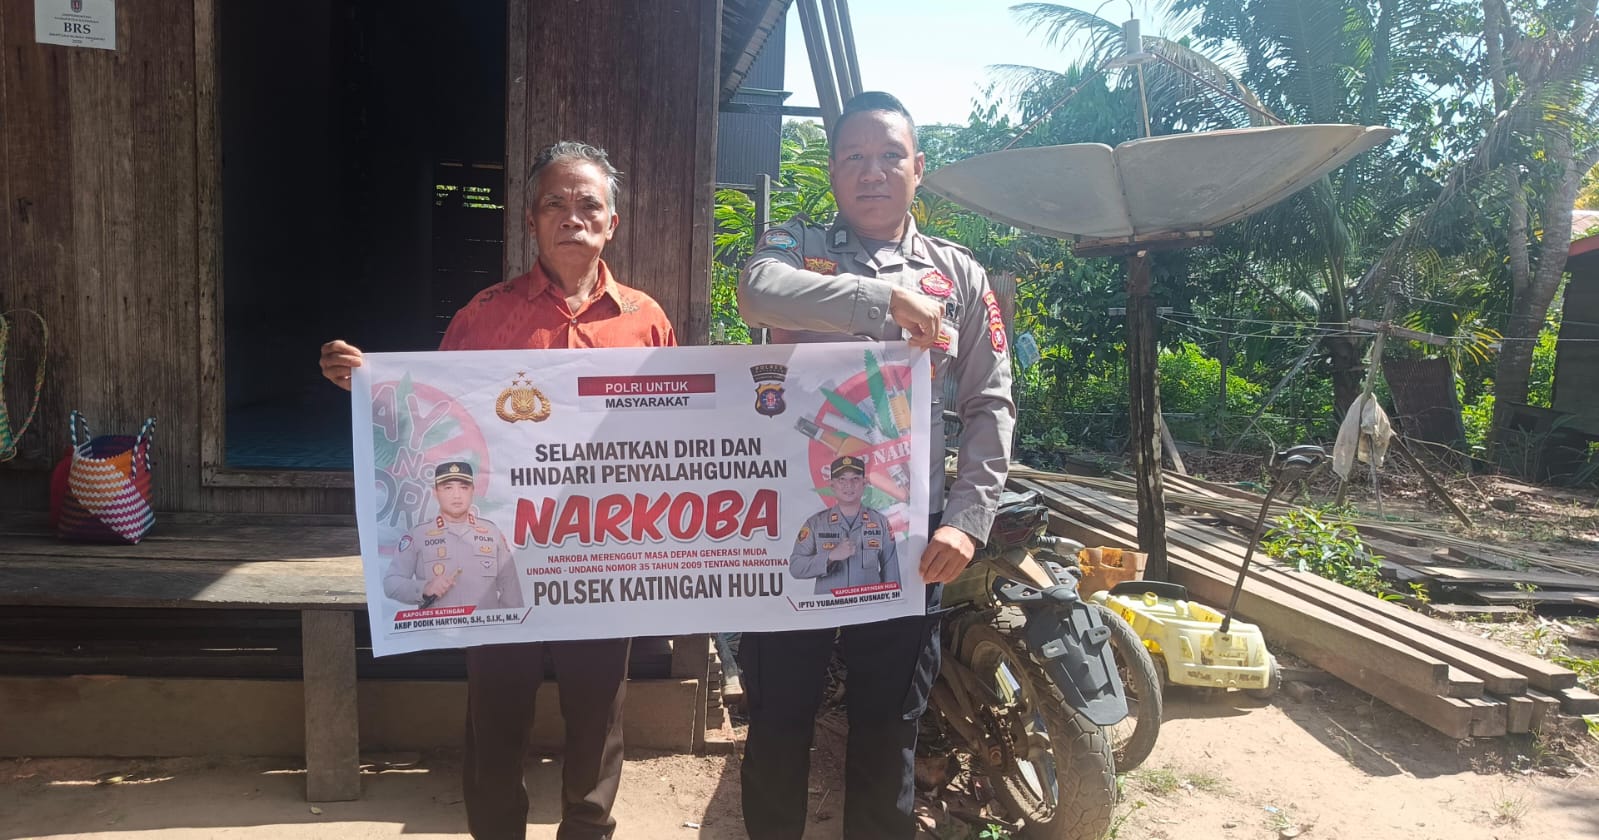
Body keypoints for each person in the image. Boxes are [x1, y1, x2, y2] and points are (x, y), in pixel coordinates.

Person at [320, 141, 675, 840]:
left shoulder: (646, 320)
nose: (572, 216)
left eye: (589, 205)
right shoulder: (482, 315)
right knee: (496, 709)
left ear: (612, 223)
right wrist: (367, 386)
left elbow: (674, 429)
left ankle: (588, 831)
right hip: (499, 551)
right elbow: (437, 420)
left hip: (601, 551)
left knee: (598, 710)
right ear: (530, 220)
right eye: (554, 203)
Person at [736, 91, 1015, 839]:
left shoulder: (957, 275)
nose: (871, 172)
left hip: (909, 533)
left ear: (918, 168)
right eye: (854, 157)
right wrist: (883, 301)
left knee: (888, 723)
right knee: (779, 713)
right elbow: (756, 292)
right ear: (832, 171)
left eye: (890, 156)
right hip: (794, 523)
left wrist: (966, 522)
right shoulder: (796, 247)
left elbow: (989, 404)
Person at [385, 462, 523, 611]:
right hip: (438, 626)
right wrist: (424, 588)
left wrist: (509, 624)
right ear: (435, 492)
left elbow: (511, 590)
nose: (457, 495)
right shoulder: (418, 535)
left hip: (484, 625)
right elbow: (391, 584)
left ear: (472, 491)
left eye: (464, 487)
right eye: (448, 488)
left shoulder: (492, 532)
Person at [789, 455, 901, 595]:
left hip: (869, 606)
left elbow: (892, 576)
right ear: (832, 485)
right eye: (842, 479)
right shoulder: (815, 524)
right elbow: (795, 567)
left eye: (855, 479)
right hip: (829, 607)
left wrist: (891, 605)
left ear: (864, 483)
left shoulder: (881, 522)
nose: (849, 485)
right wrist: (830, 557)